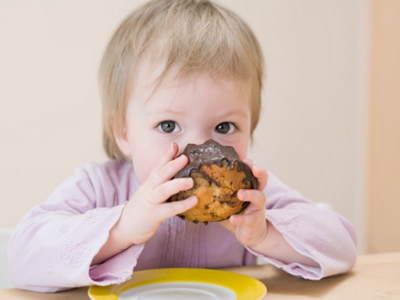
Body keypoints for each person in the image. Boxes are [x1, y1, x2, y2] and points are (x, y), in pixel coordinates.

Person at [8, 0, 357, 292]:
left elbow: (343, 246)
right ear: (124, 131)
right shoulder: (99, 187)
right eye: (168, 125)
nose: (198, 151)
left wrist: (266, 233)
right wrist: (123, 227)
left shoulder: (251, 201)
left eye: (224, 126)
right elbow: (23, 256)